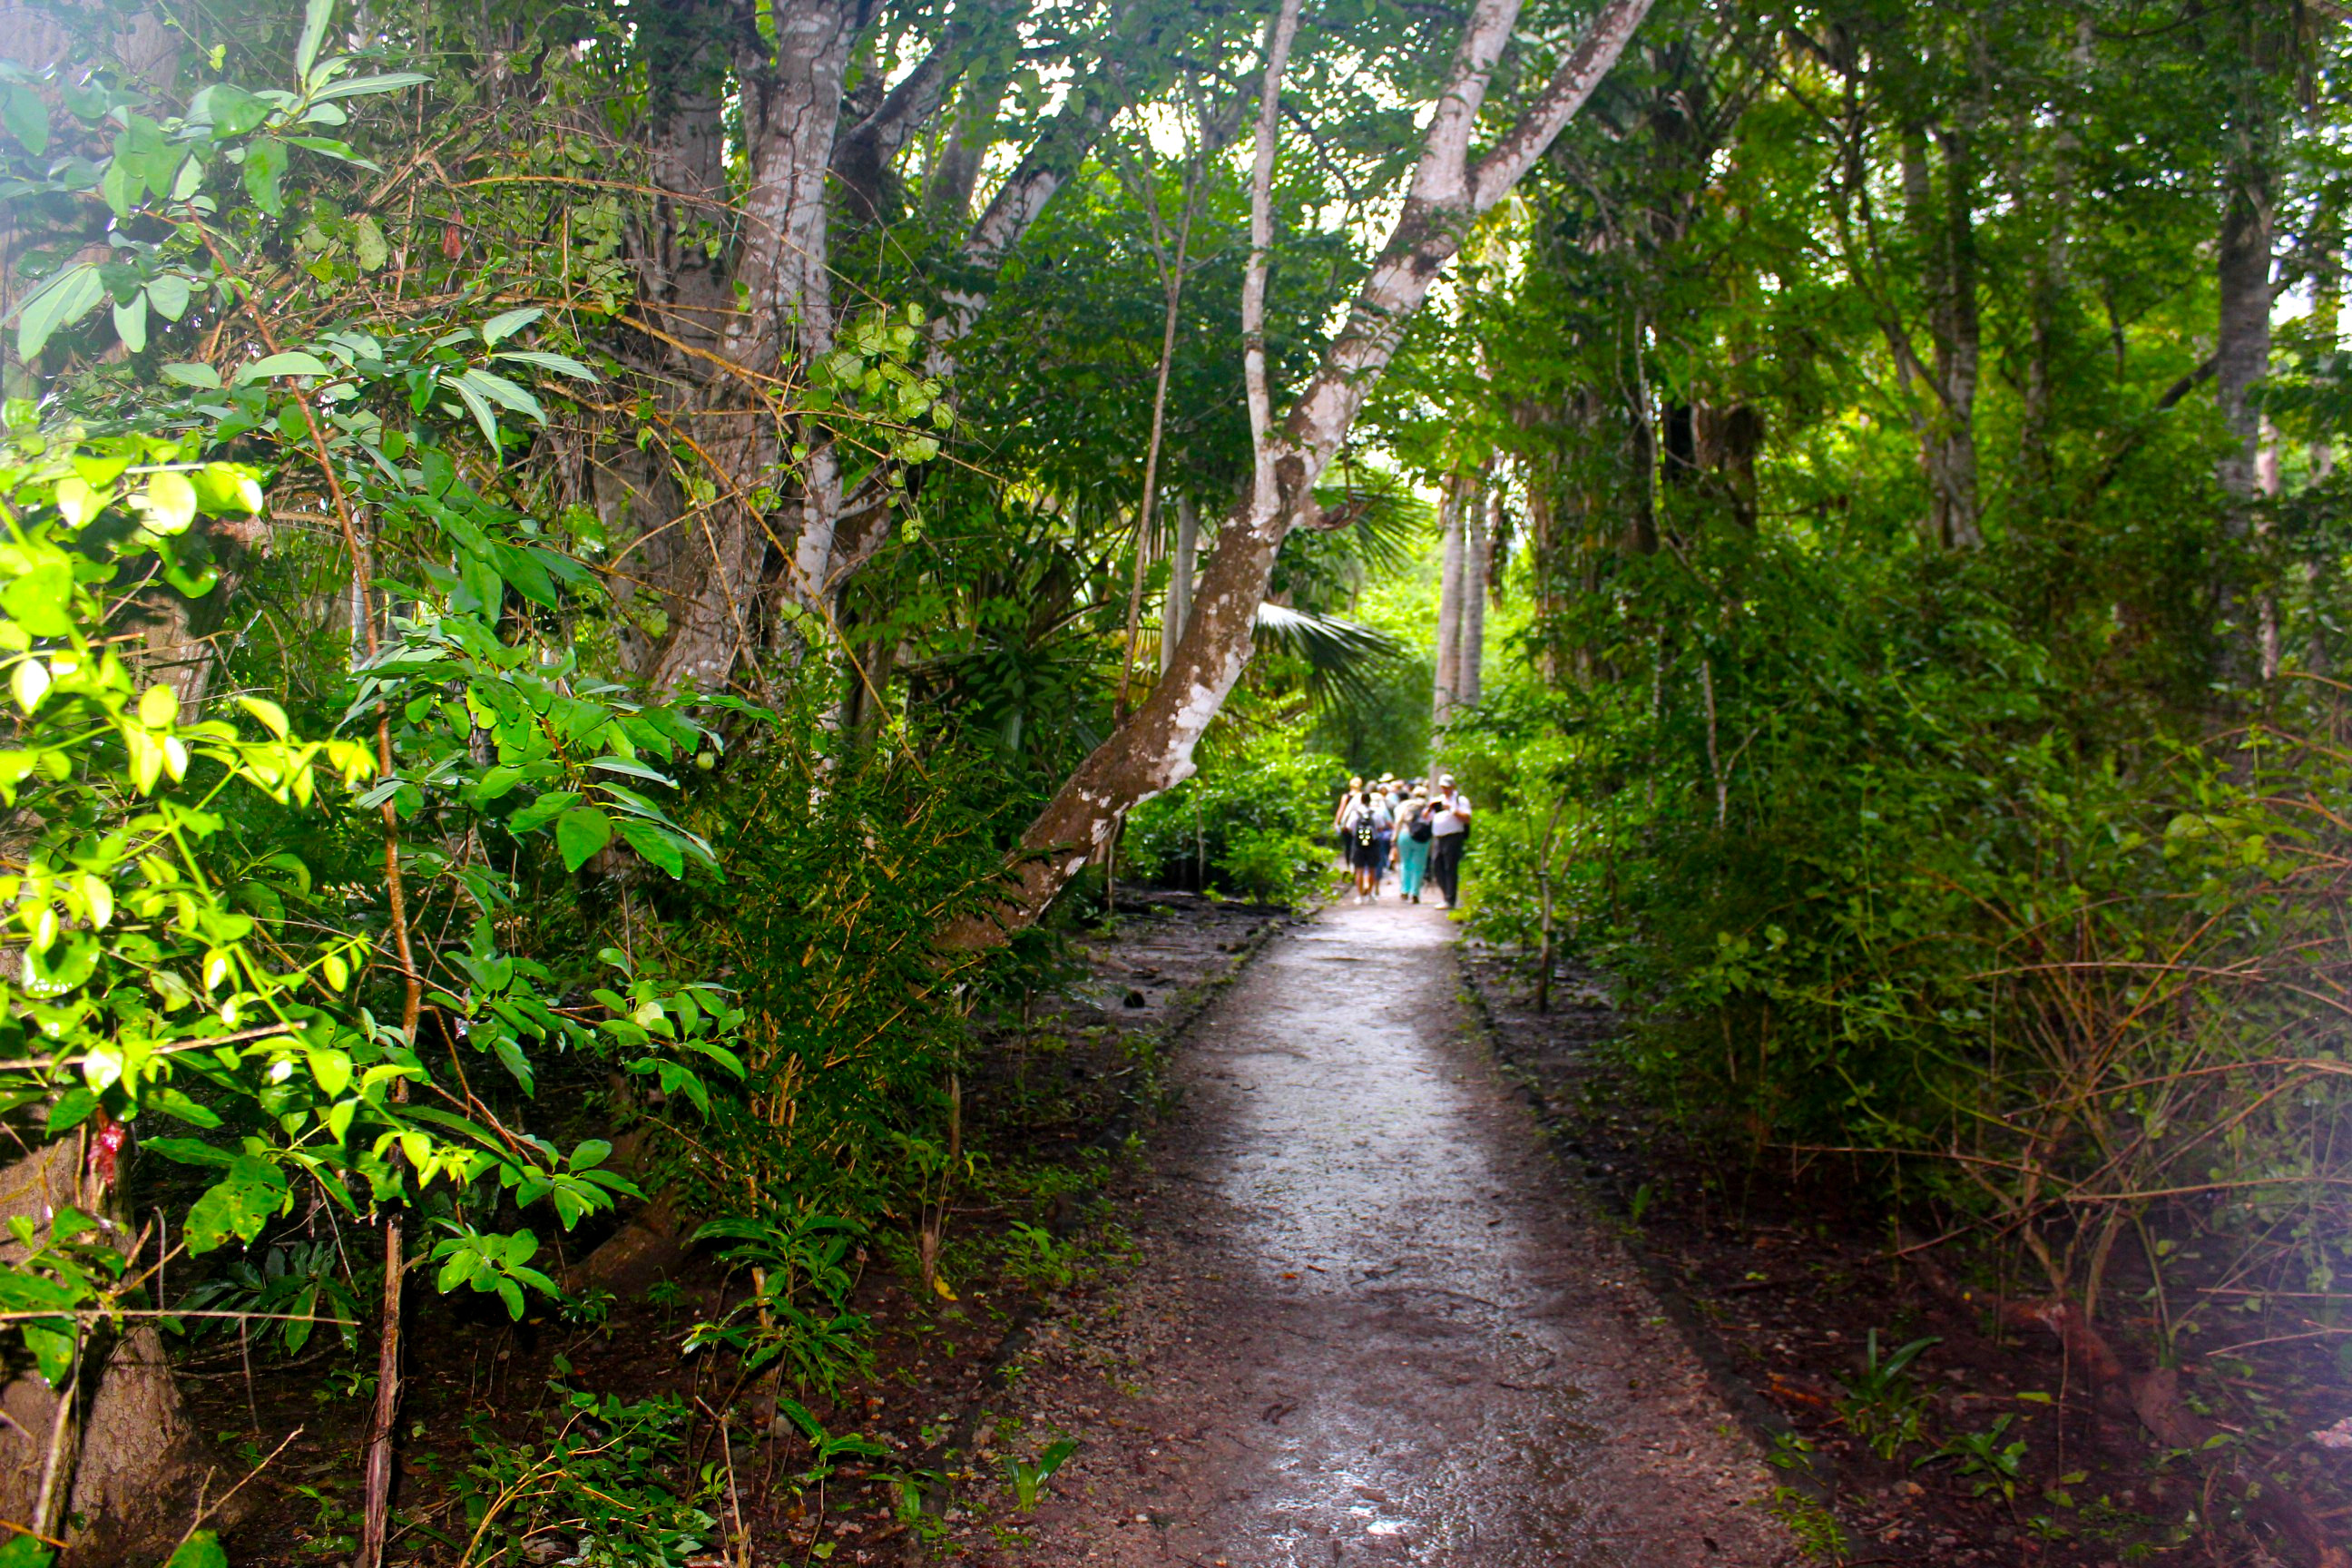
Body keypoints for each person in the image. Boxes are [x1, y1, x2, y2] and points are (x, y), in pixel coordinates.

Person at [1427, 772, 1473, 908]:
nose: (1445, 790)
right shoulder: (1438, 800)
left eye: (1447, 787)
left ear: (1453, 786)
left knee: (1450, 867)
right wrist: (1429, 808)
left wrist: (1451, 809)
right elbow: (1426, 817)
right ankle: (1446, 895)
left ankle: (1450, 899)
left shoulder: (1460, 800)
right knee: (1437, 866)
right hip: (1438, 836)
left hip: (1453, 836)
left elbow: (1467, 818)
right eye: (1443, 787)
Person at [1342, 784, 1391, 902]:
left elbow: (1349, 828)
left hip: (1358, 844)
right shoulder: (1376, 813)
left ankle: (1360, 896)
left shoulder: (1355, 813)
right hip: (1373, 844)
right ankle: (1370, 895)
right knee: (1372, 869)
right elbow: (1381, 827)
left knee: (1359, 870)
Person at [1392, 781, 1432, 903]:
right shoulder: (1429, 807)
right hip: (1422, 837)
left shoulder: (1407, 805)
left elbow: (1399, 821)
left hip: (1405, 834)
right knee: (1419, 866)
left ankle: (1405, 890)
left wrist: (1394, 838)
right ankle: (1415, 893)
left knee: (1405, 863)